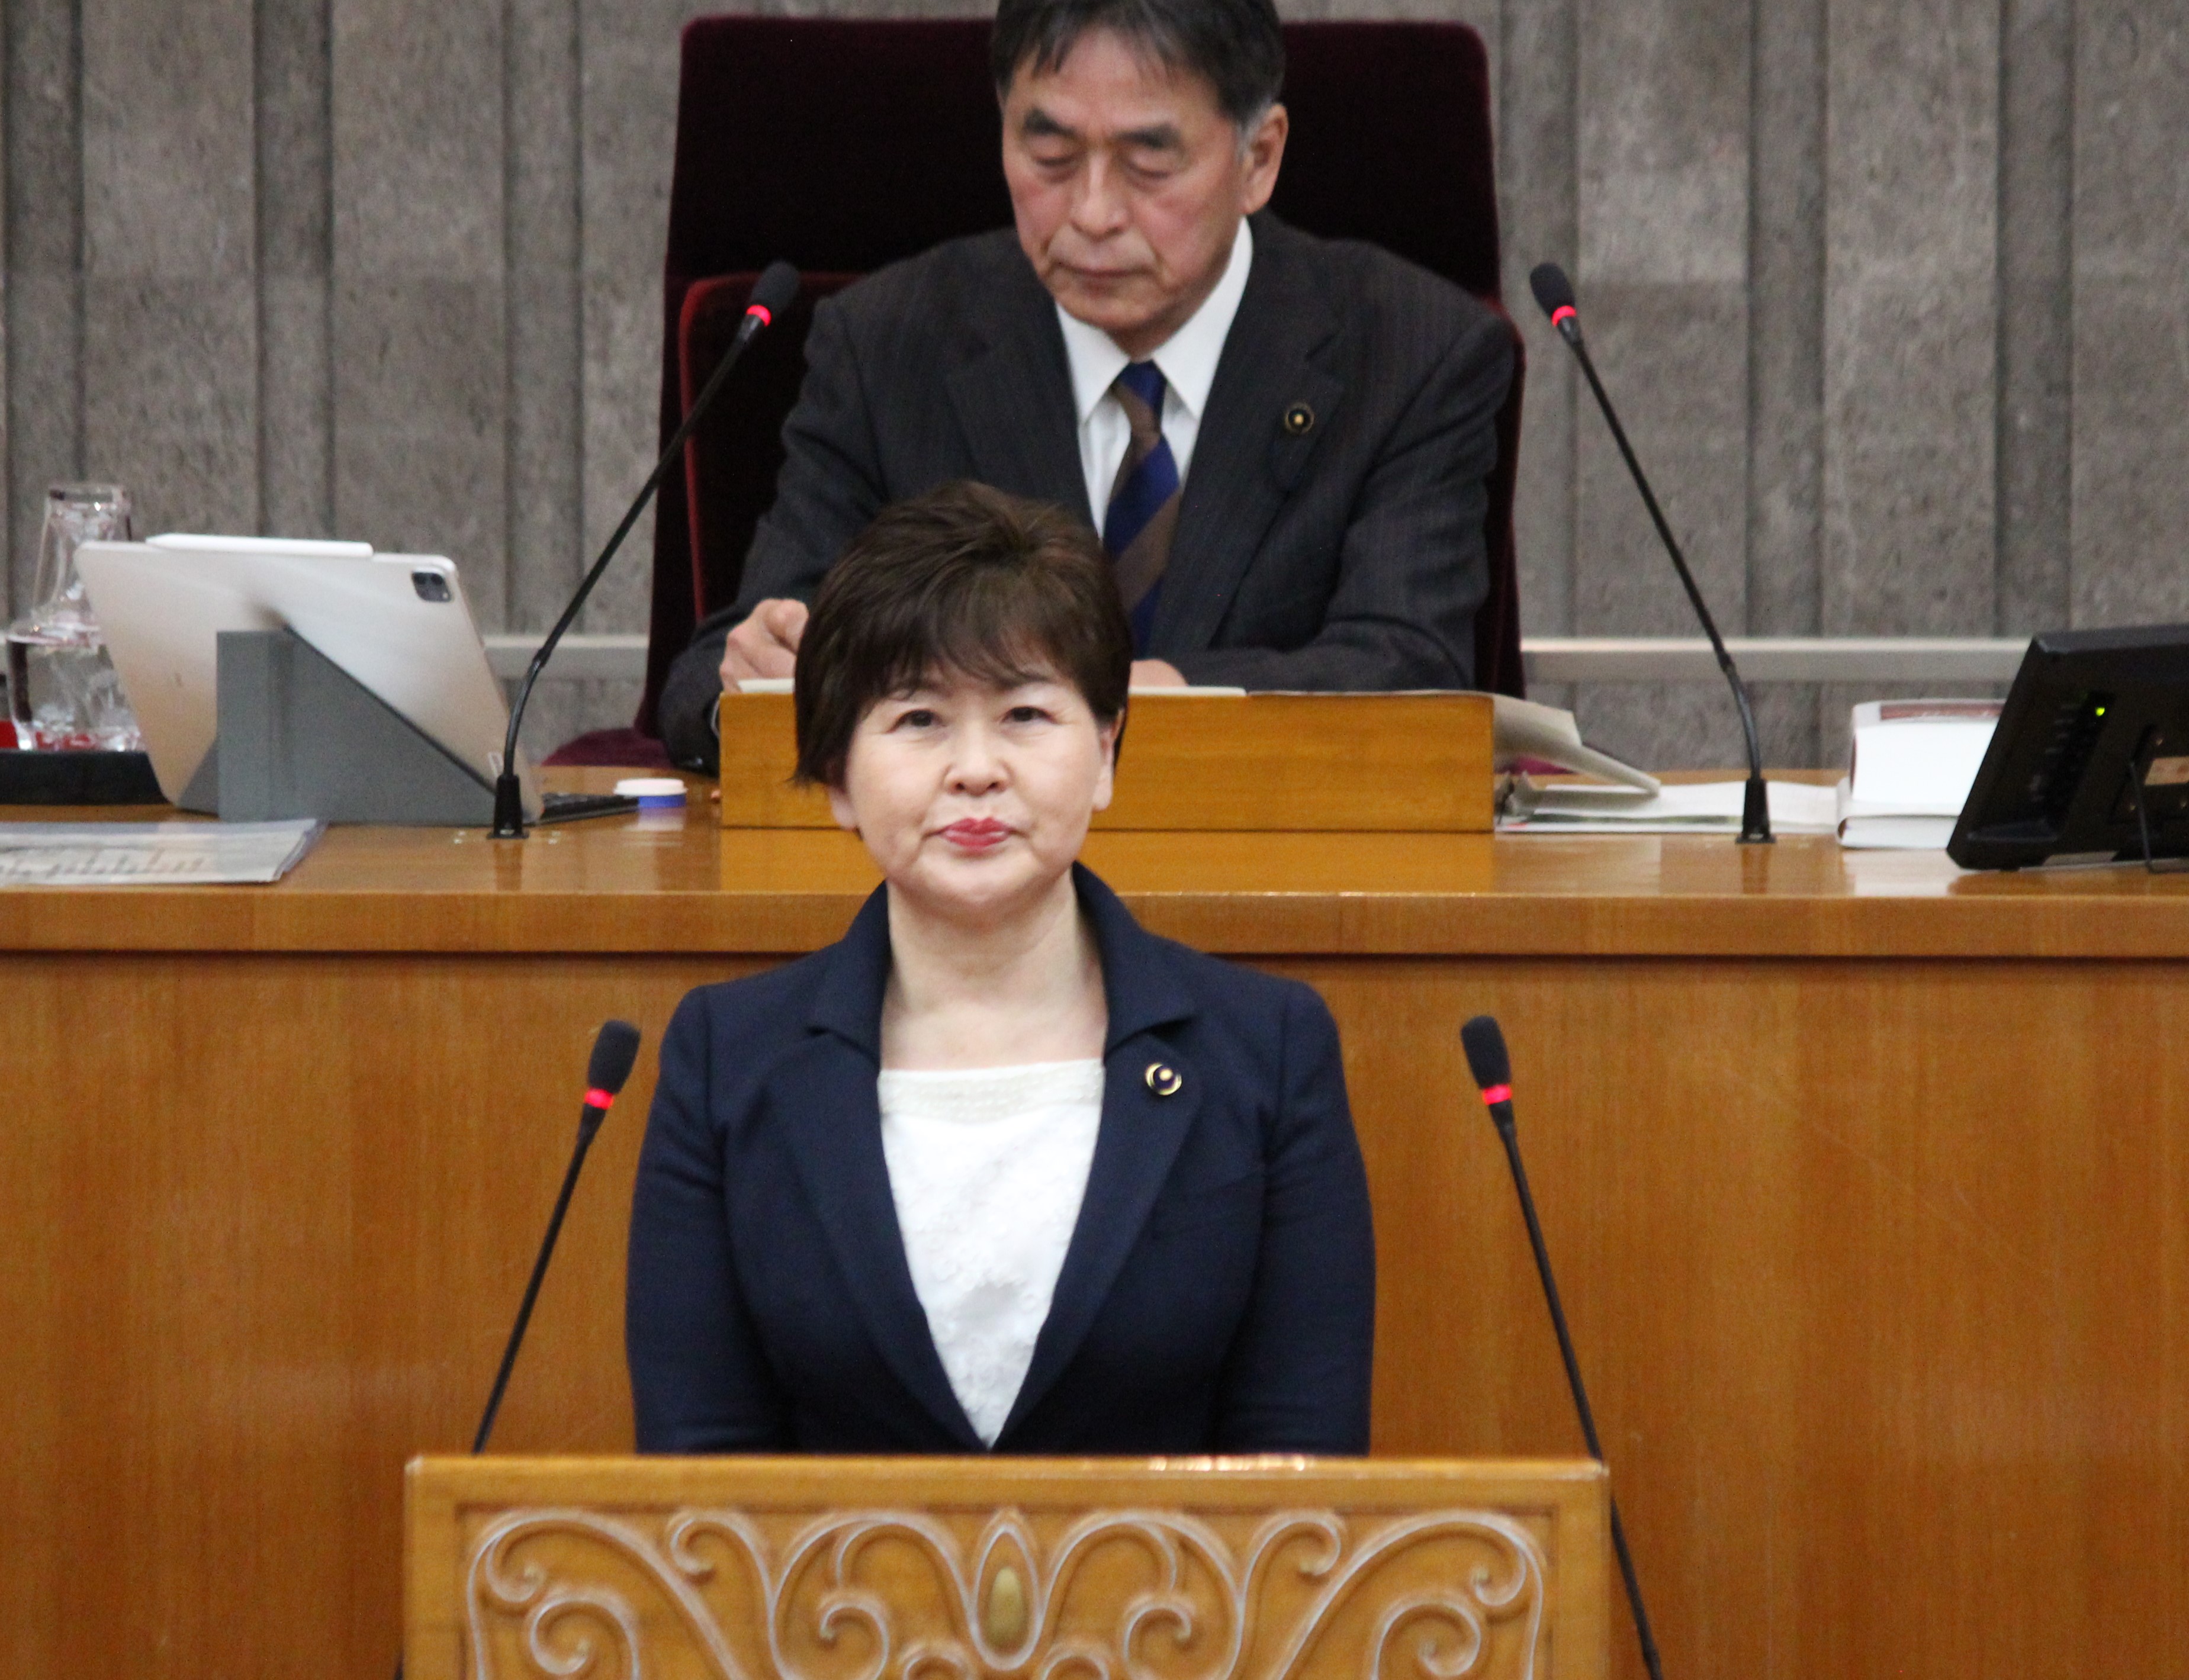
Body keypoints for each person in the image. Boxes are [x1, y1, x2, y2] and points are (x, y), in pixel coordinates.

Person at [627, 481, 1376, 1453]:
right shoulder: (727, 1058)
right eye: (918, 720)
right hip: (827, 1610)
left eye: (1025, 714)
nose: (975, 768)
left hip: (1176, 1608)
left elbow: (1301, 1480)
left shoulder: (1265, 1051)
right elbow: (700, 1482)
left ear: (1106, 751)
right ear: (837, 781)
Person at [655, 0, 1515, 768]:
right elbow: (708, 679)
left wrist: (1132, 699)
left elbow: (1409, 674)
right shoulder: (887, 347)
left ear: (1258, 157)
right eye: (1051, 153)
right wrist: (760, 678)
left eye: (1148, 163)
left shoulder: (1411, 354)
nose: (1093, 213)